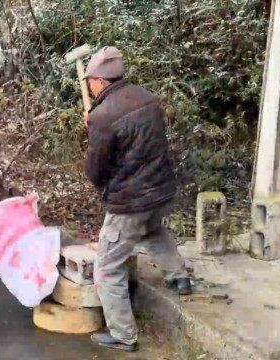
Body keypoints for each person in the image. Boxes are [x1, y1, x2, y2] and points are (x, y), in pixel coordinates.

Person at [82, 46, 192, 352]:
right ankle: (179, 277)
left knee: (107, 267)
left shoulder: (102, 116)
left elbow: (95, 170)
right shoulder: (147, 98)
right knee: (153, 229)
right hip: (161, 190)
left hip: (130, 202)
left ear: (100, 82)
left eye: (91, 80)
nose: (90, 85)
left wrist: (92, 128)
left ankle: (122, 334)